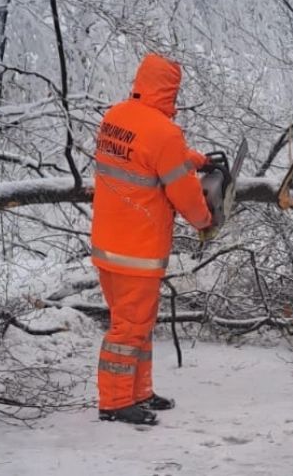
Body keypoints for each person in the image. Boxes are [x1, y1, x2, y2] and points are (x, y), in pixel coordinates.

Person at [90, 53, 214, 425]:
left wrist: (193, 158)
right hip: (138, 251)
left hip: (109, 245)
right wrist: (205, 220)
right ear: (170, 90)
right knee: (129, 328)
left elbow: (146, 155)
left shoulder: (116, 116)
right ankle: (113, 403)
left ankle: (137, 392)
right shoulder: (164, 132)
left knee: (137, 323)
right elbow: (186, 196)